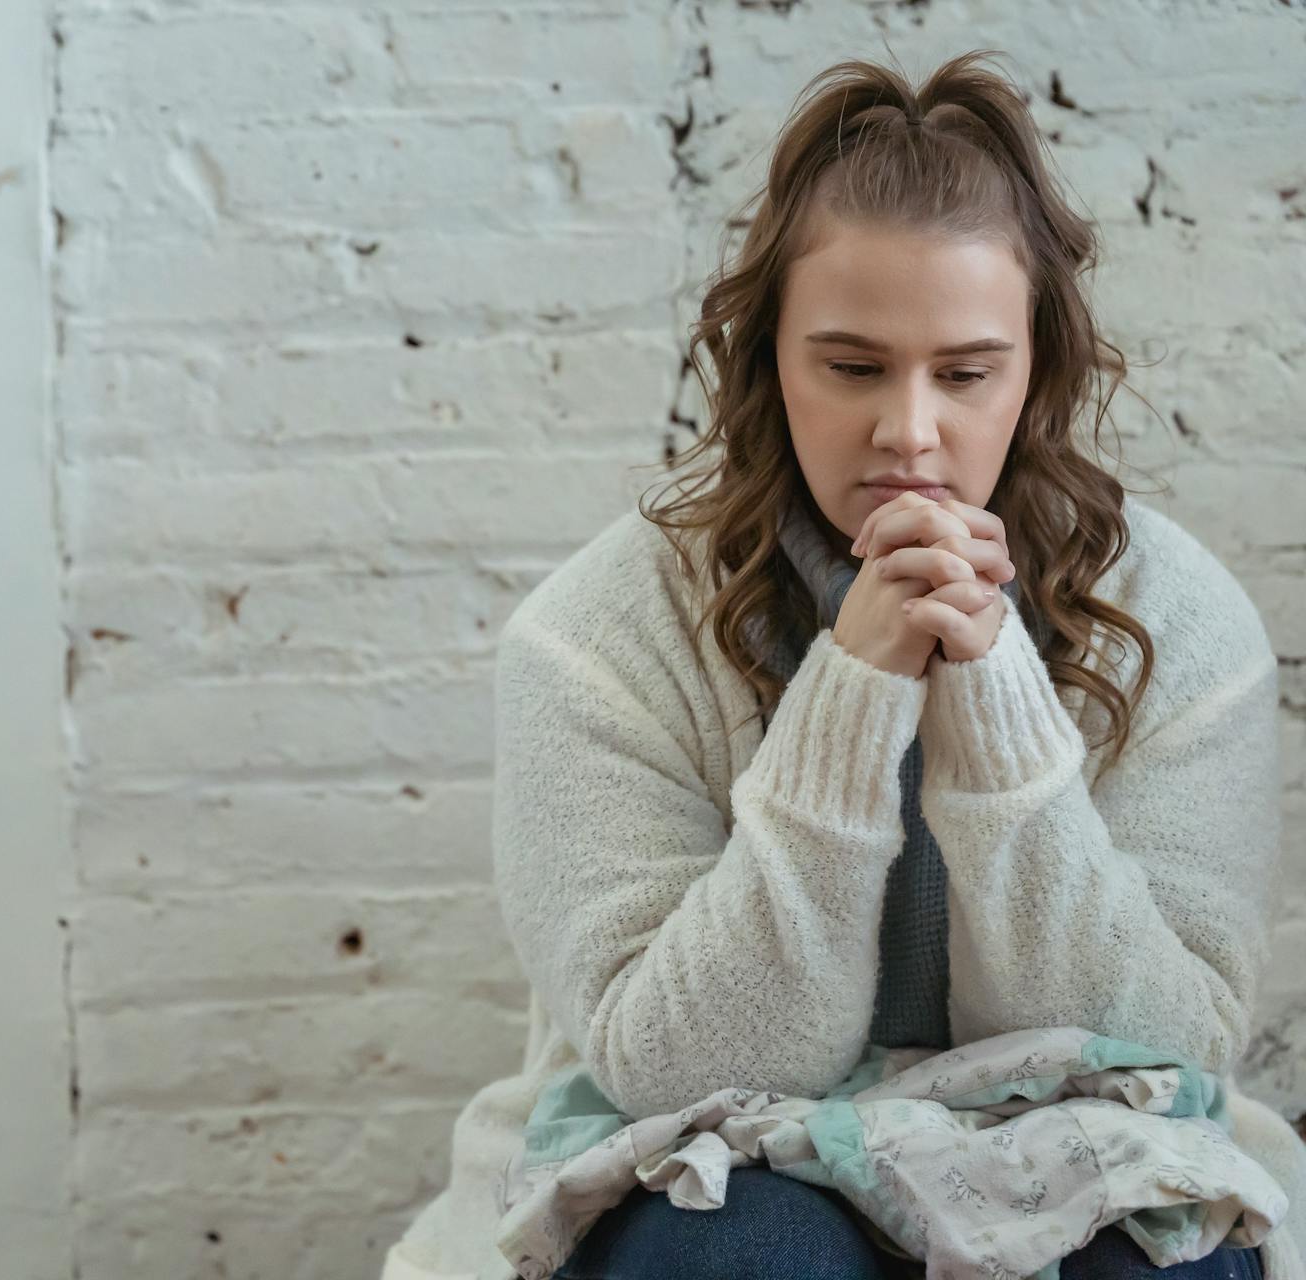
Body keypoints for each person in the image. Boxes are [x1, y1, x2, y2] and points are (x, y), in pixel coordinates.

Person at [379, 49, 1301, 1280]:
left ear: (1037, 371)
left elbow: (1170, 1057)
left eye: (966, 373)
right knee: (743, 1248)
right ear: (770, 358)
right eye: (854, 367)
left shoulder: (1179, 618)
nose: (910, 433)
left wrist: (1000, 708)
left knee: (1146, 1259)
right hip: (707, 1149)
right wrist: (853, 693)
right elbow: (680, 1065)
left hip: (1076, 1144)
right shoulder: (599, 631)